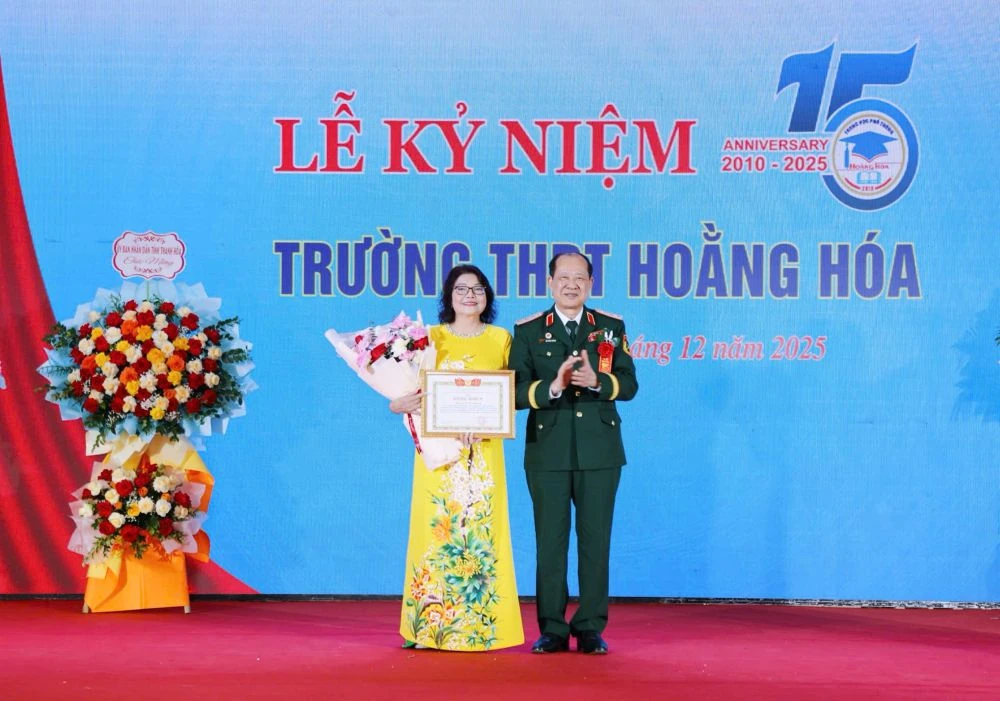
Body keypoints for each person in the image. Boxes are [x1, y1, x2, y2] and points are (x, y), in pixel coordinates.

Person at [508, 251, 638, 654]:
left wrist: (597, 382)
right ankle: (552, 628)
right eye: (563, 277)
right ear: (550, 283)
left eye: (579, 278)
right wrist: (552, 388)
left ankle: (590, 627)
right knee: (550, 542)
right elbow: (512, 393)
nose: (571, 285)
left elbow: (630, 385)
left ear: (590, 284)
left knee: (595, 541)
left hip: (600, 451)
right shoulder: (528, 331)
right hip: (547, 451)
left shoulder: (610, 328)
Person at [390, 264, 524, 651]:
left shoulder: (501, 339)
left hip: (483, 452)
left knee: (481, 532)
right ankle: (427, 627)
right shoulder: (429, 338)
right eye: (462, 289)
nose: (470, 295)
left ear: (488, 297)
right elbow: (408, 391)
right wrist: (397, 403)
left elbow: (511, 394)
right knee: (437, 531)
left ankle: (482, 627)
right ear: (448, 296)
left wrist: (491, 422)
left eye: (479, 289)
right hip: (440, 454)